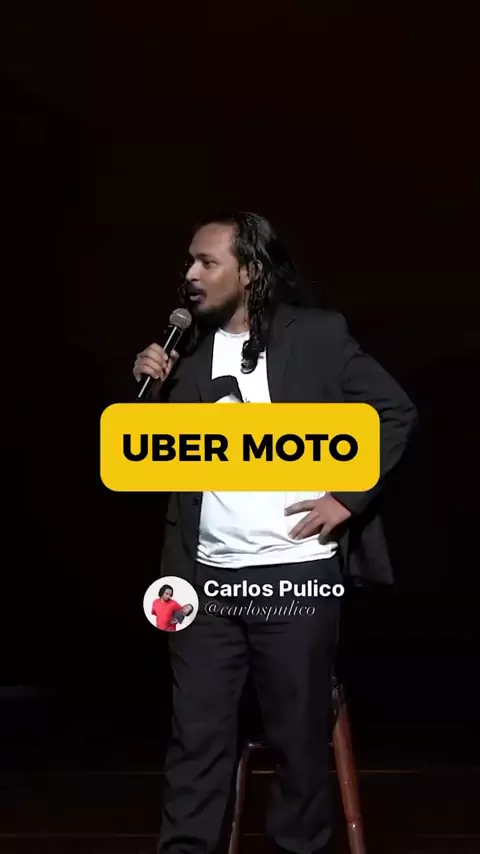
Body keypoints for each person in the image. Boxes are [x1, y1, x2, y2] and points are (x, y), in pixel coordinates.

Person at [133, 212, 418, 854]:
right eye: (189, 261)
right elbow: (154, 459)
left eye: (207, 262)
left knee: (297, 739)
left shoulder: (315, 336)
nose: (190, 274)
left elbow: (395, 411)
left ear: (251, 271)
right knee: (196, 739)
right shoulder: (186, 351)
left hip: (294, 576)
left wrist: (347, 497)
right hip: (203, 580)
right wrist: (148, 393)